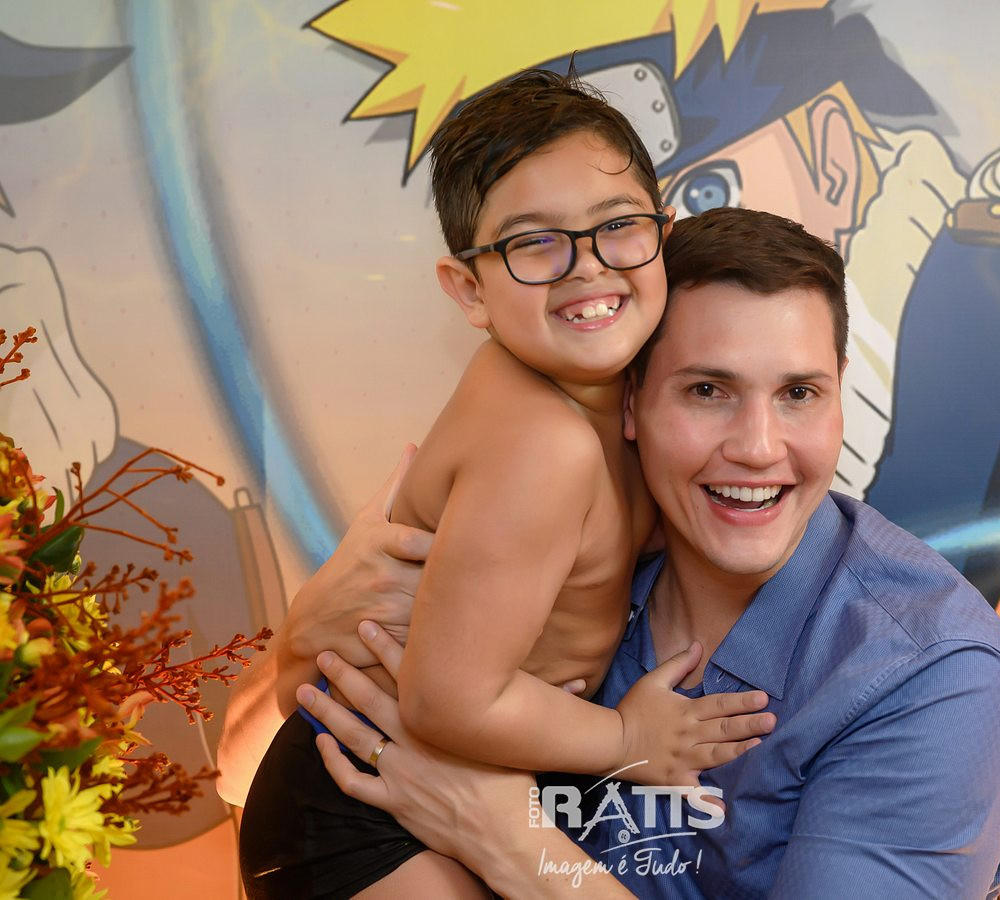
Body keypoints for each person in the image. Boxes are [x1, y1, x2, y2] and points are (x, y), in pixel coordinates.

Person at [261, 207, 1000, 897]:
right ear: (630, 400)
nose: (757, 447)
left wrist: (502, 835)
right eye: (706, 390)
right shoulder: (558, 540)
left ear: (839, 391)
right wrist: (303, 641)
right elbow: (256, 770)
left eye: (798, 394)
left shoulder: (930, 675)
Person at [230, 72, 774, 899]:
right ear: (469, 290)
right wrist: (626, 738)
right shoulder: (541, 442)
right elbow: (448, 700)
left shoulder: (618, 401)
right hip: (359, 813)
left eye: (617, 226)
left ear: (661, 236)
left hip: (450, 784)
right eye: (534, 243)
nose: (586, 266)